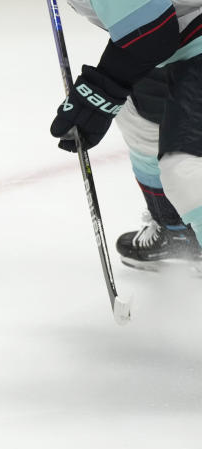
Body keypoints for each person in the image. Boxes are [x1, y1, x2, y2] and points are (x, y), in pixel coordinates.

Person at [50, 1, 202, 272]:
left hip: (185, 33)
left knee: (187, 170)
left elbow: (153, 36)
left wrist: (100, 91)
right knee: (140, 119)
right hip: (179, 31)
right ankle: (177, 230)